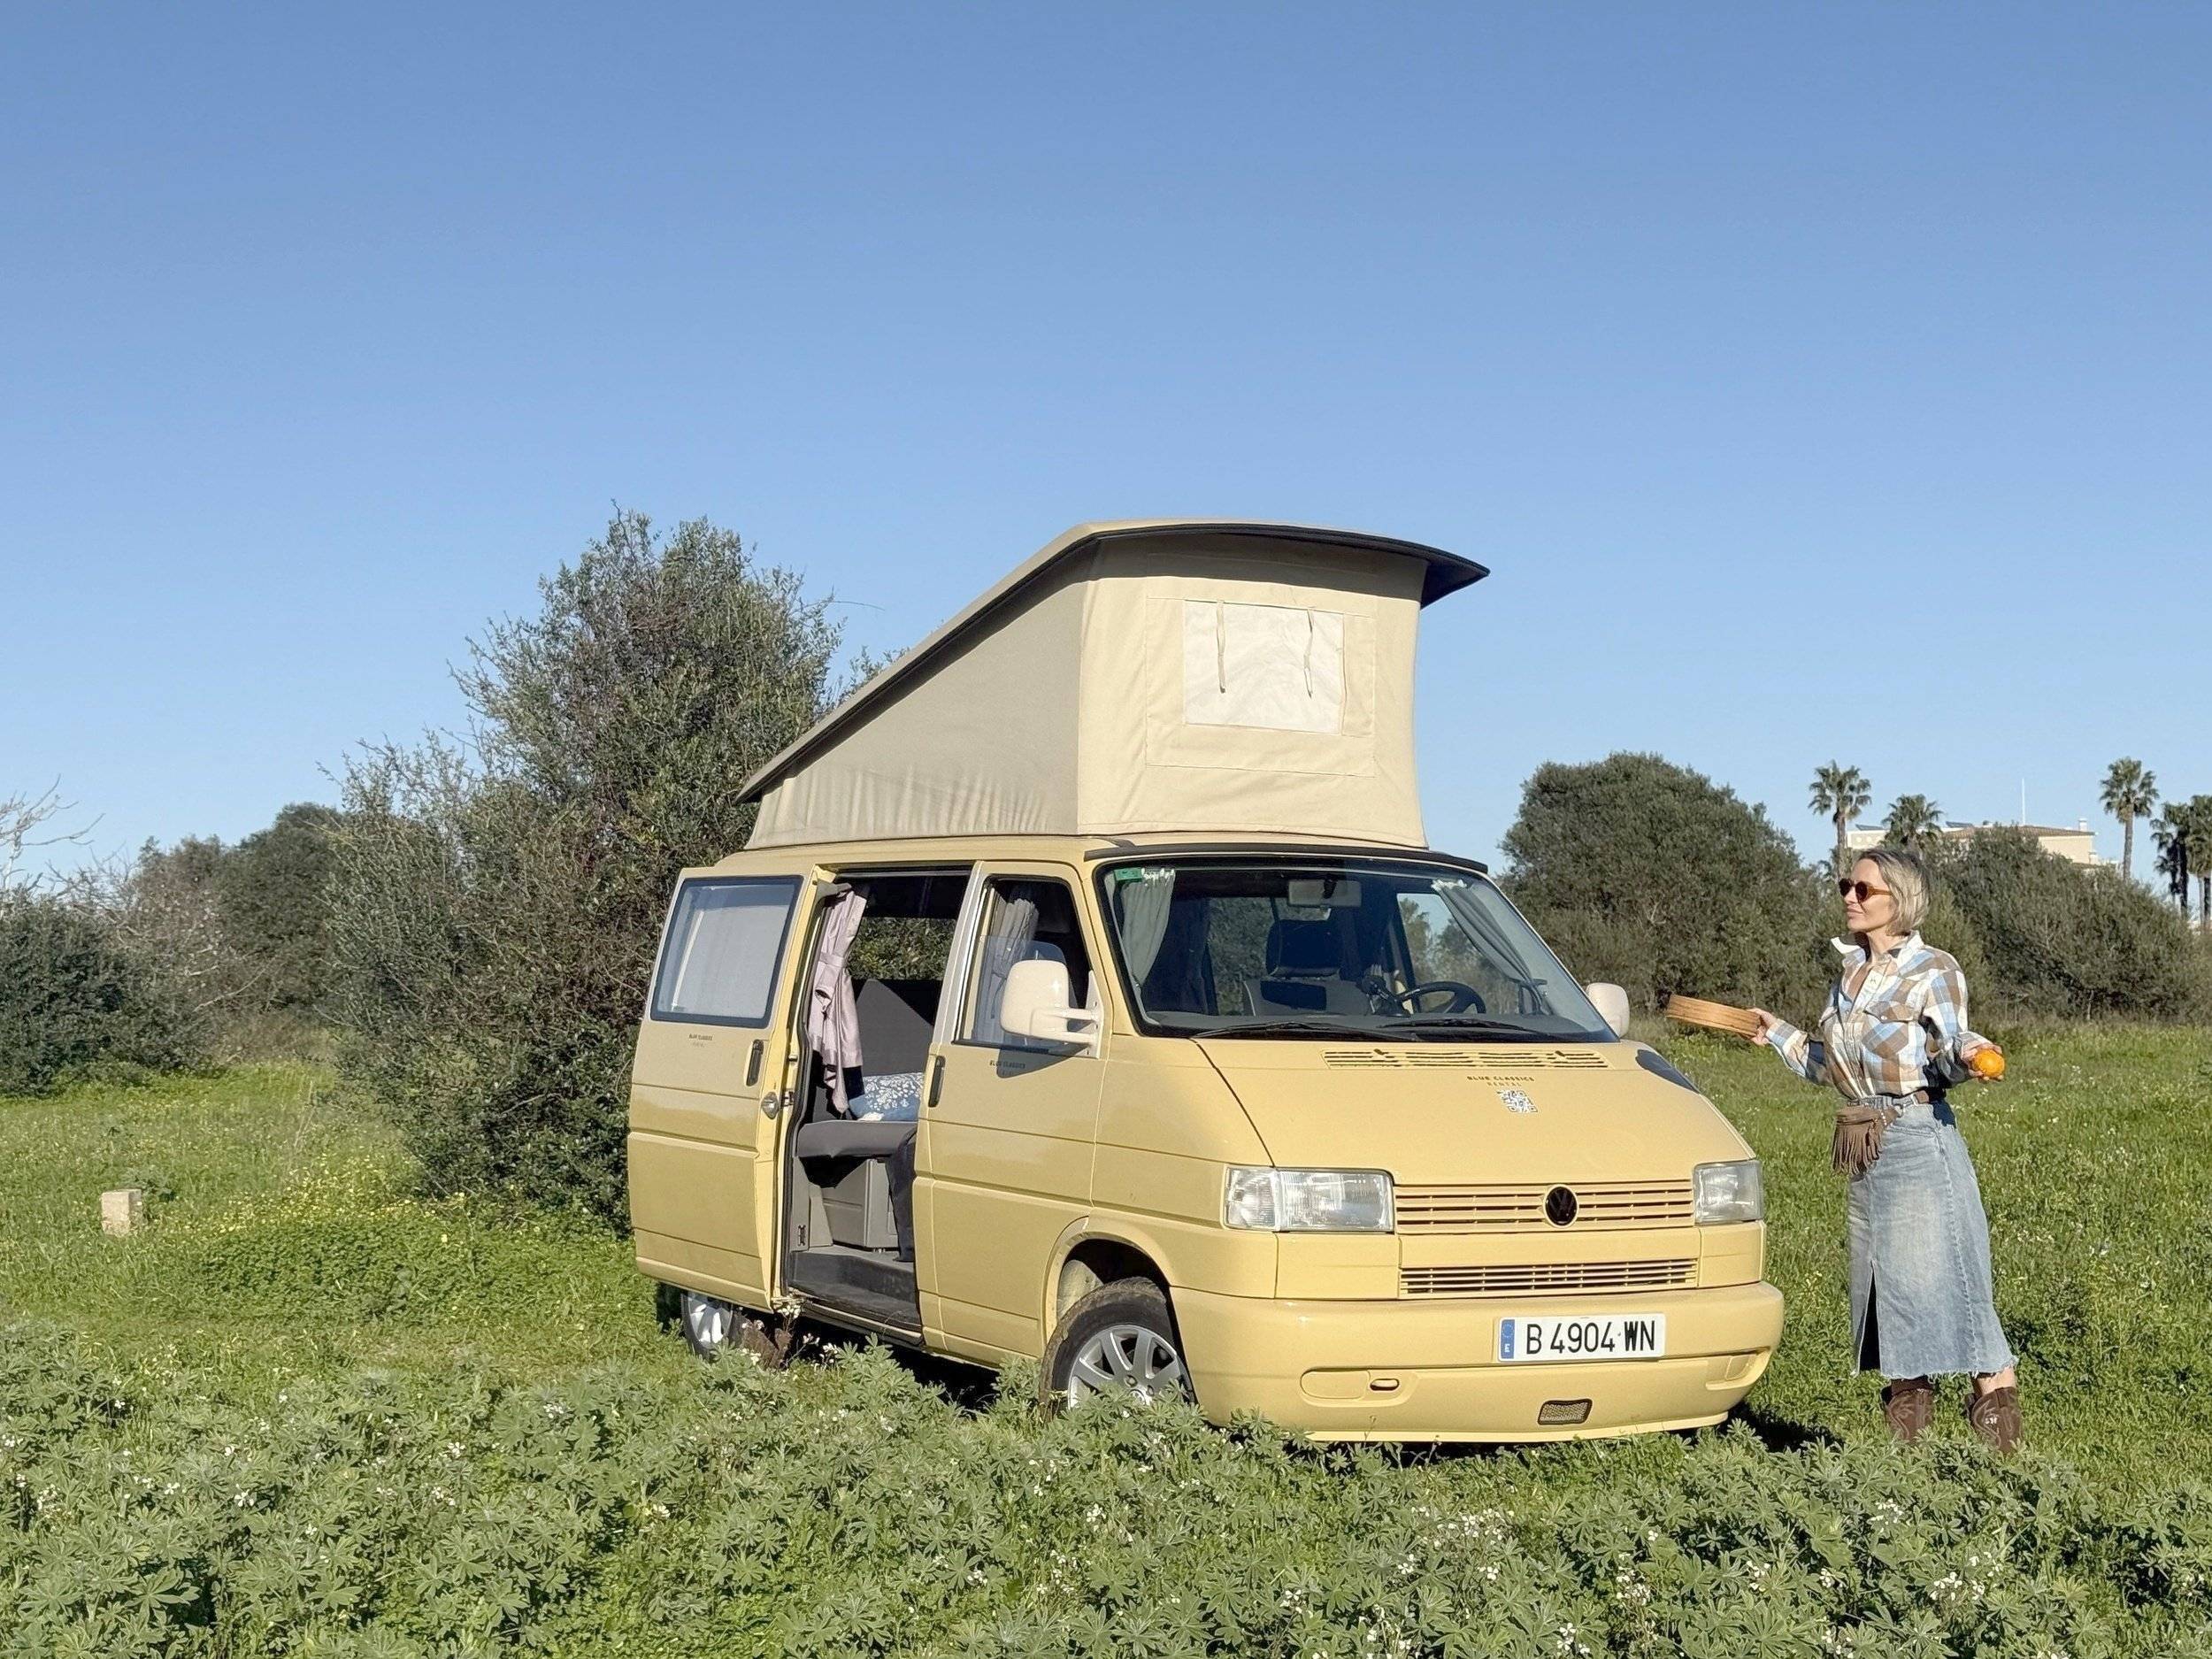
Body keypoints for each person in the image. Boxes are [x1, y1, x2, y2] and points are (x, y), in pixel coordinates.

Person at [1749, 847, 2021, 1450]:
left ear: (1900, 899)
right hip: (1866, 1148)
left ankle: (2004, 1459)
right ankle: (1909, 1465)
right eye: (1848, 885)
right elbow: (1837, 1070)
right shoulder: (1847, 975)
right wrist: (1779, 1035)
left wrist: (1974, 1056)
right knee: (1890, 1296)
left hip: (1920, 1142)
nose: (1850, 895)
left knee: (1958, 1287)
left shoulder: (1933, 968)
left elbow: (1949, 1043)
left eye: (1864, 889)